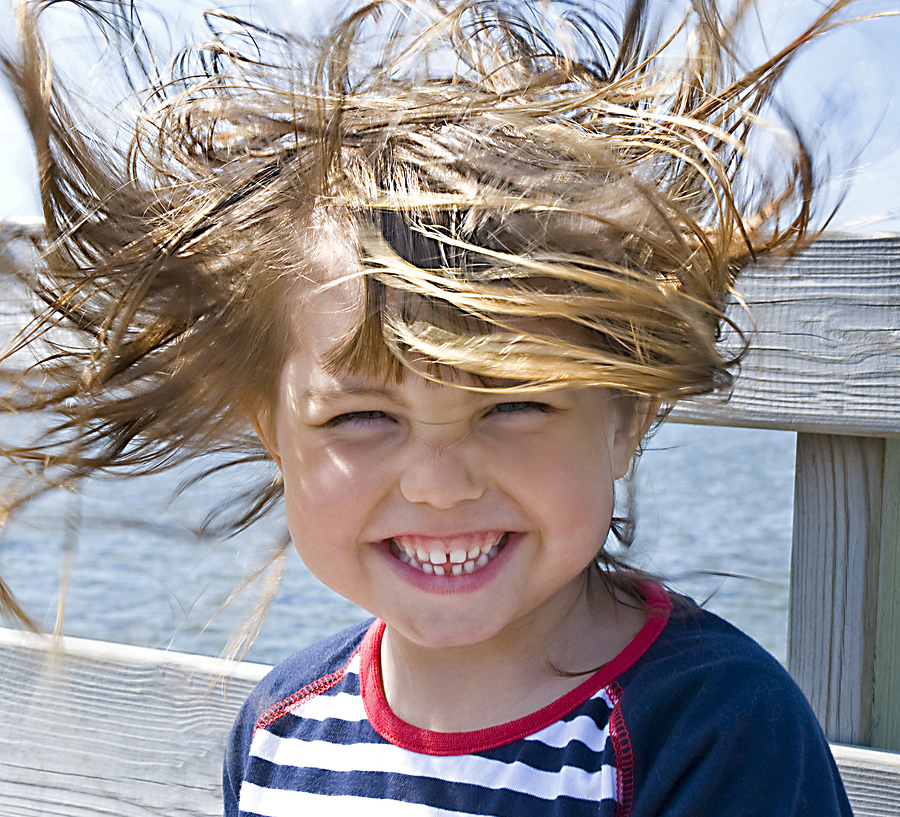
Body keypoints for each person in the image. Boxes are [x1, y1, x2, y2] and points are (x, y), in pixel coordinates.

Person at [0, 0, 872, 813]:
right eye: (360, 418)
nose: (439, 483)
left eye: (512, 405)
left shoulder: (714, 727)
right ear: (276, 433)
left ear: (625, 416)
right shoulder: (277, 729)